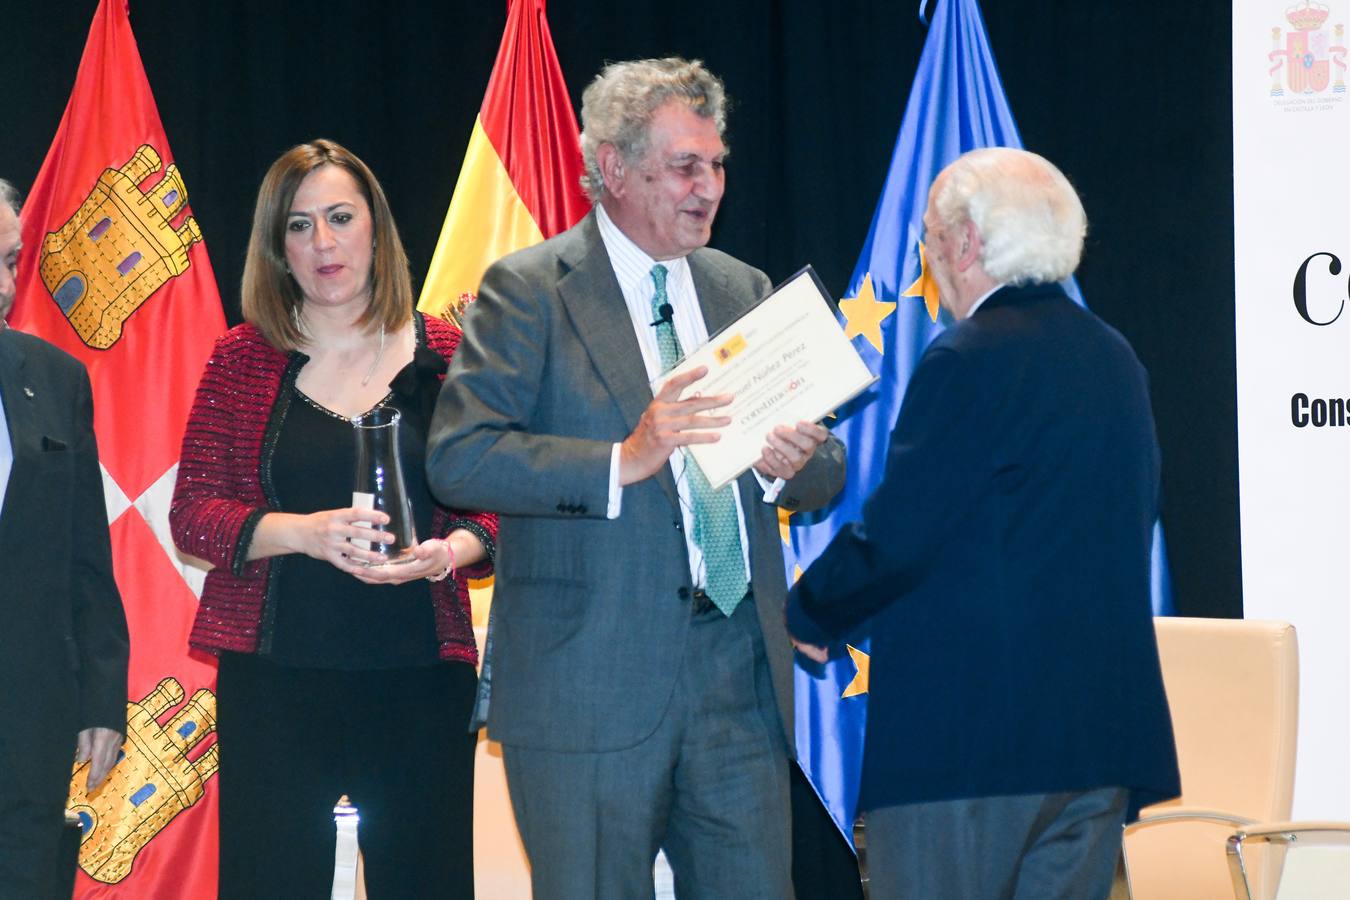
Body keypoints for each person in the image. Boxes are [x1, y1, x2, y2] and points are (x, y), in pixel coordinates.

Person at [427, 58, 845, 898]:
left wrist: (795, 465)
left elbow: (827, 468)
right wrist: (625, 458)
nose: (710, 186)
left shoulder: (742, 287)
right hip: (588, 681)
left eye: (718, 164)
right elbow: (459, 455)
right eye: (686, 166)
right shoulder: (529, 290)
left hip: (737, 677)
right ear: (612, 167)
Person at [786, 147, 1180, 899]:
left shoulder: (969, 358)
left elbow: (902, 534)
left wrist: (812, 609)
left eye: (930, 234)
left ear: (966, 241)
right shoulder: (1114, 356)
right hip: (1095, 741)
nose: (927, 253)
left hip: (969, 749)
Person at [169, 140, 496, 899]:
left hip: (421, 682)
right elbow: (193, 516)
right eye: (299, 226)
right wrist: (306, 534)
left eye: (340, 218)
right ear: (276, 249)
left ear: (375, 229)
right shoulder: (241, 359)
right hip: (277, 684)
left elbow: (502, 509)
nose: (322, 243)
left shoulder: (449, 354)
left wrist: (451, 549)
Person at [0, 178, 129, 898]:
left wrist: (102, 697)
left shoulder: (55, 379)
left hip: (26, 723)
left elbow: (85, 555)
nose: (3, 285)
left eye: (12, 261)